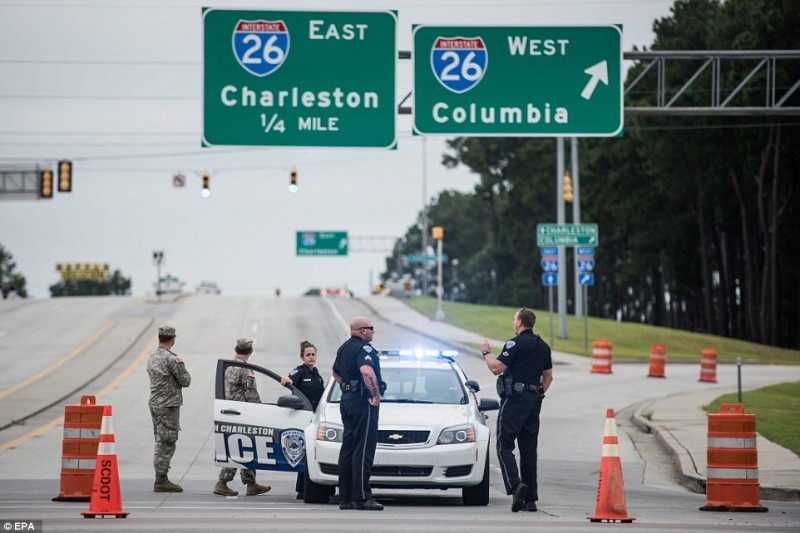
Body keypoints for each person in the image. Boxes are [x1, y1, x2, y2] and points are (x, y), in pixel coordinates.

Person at [481, 307, 553, 513]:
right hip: (533, 401)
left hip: (514, 400)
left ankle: (515, 484)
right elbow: (548, 377)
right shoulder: (544, 346)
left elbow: (496, 368)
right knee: (529, 450)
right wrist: (538, 395)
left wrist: (486, 353)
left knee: (504, 444)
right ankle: (529, 500)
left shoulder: (514, 343)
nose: (513, 323)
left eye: (514, 320)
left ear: (520, 322)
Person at [331, 316, 384, 511]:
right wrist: (375, 395)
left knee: (348, 449)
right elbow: (367, 372)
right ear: (362, 330)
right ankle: (362, 497)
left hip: (347, 400)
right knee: (364, 449)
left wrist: (348, 388)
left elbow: (336, 374)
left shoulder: (344, 348)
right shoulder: (364, 348)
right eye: (371, 328)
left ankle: (345, 498)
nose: (373, 332)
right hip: (363, 402)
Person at [213, 338, 271, 497]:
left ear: (235, 349)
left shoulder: (229, 367)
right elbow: (251, 394)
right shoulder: (245, 370)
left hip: (229, 411)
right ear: (251, 352)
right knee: (240, 447)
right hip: (243, 413)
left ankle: (251, 483)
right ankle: (222, 482)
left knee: (247, 447)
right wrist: (262, 410)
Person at [147, 324, 191, 493]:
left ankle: (161, 476)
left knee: (160, 438)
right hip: (168, 405)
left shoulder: (152, 357)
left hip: (155, 403)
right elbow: (186, 381)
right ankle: (161, 479)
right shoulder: (172, 359)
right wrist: (182, 364)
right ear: (172, 340)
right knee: (166, 441)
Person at [281, 340, 326, 499]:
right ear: (302, 357)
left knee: (311, 453)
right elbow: (290, 380)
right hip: (303, 418)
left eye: (313, 354)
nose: (311, 357)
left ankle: (305, 488)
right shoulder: (299, 372)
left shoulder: (317, 375)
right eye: (308, 355)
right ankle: (302, 489)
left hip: (315, 418)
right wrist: (287, 380)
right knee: (303, 453)